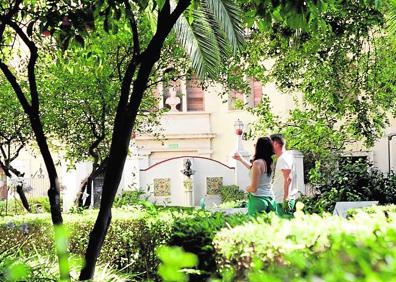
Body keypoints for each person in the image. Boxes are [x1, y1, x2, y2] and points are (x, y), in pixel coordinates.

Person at [233, 137, 276, 215]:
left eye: (255, 144)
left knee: (254, 226)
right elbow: (253, 169)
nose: (254, 146)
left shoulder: (257, 163)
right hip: (271, 200)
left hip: (258, 200)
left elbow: (253, 188)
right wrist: (241, 159)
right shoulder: (269, 162)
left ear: (259, 148)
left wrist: (247, 189)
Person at [270, 134, 298, 216]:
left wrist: (286, 199)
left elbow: (288, 178)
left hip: (282, 200)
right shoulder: (286, 157)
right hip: (281, 199)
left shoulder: (283, 158)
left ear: (276, 144)